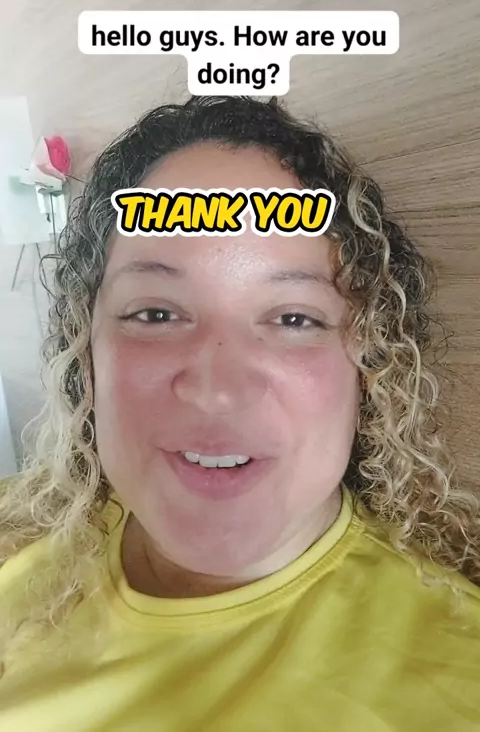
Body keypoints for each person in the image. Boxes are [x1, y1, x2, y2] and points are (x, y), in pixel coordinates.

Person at [0, 95, 479, 731]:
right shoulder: (17, 532)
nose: (216, 389)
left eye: (294, 319)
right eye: (156, 314)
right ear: (86, 357)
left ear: (371, 369)